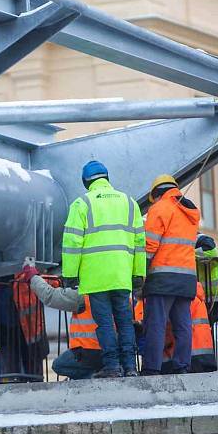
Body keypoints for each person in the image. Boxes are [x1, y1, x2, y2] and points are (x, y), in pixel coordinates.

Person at [62, 160, 145, 378]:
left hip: (96, 278)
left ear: (85, 182)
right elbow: (139, 242)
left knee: (105, 323)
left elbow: (72, 243)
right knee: (125, 322)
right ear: (107, 178)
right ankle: (130, 367)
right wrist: (139, 273)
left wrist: (70, 275)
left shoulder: (81, 204)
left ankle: (112, 367)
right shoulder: (129, 203)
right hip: (122, 275)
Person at [141, 174, 200, 376]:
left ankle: (151, 368)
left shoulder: (159, 208)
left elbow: (150, 246)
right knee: (182, 325)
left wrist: (140, 272)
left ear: (157, 193)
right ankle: (182, 366)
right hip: (187, 279)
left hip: (162, 277)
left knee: (155, 324)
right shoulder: (189, 211)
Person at [17, 264, 104, 379]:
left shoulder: (84, 296)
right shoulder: (119, 296)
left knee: (58, 365)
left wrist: (33, 277)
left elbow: (50, 296)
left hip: (87, 351)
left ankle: (90, 378)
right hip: (109, 352)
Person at [134, 281, 216, 374]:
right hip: (202, 357)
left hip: (179, 359)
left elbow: (161, 329)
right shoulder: (192, 297)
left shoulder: (163, 298)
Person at [195, 233, 218, 326]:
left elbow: (212, 252)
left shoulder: (202, 239)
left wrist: (186, 252)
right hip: (201, 294)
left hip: (212, 295)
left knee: (205, 325)